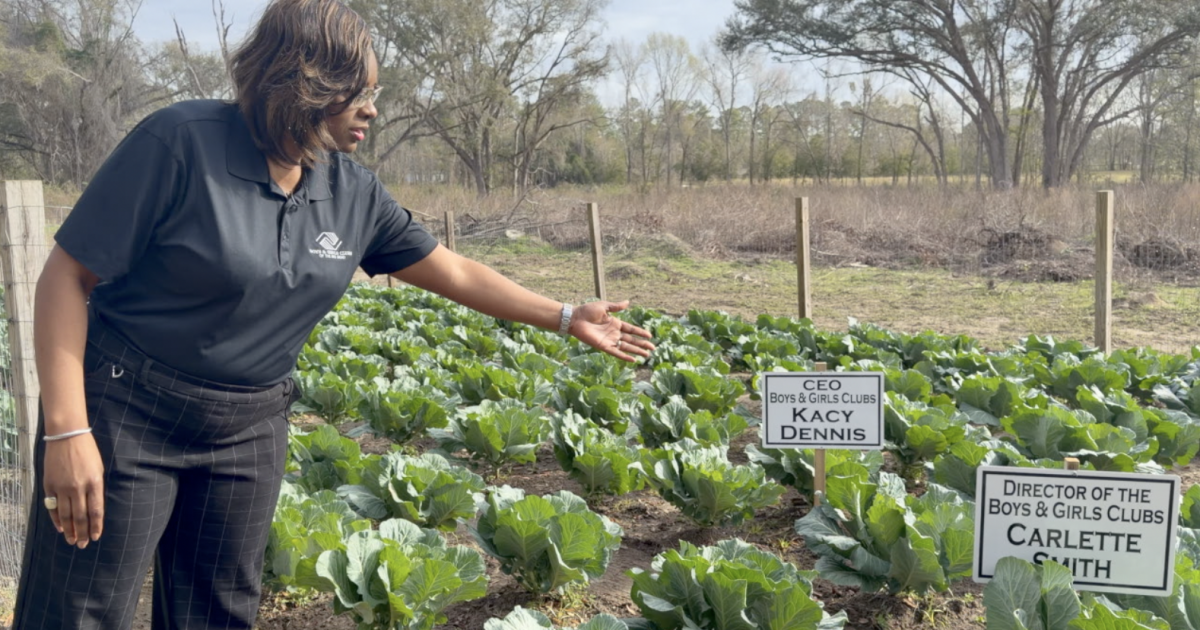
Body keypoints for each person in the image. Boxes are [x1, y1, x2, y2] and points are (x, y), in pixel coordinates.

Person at [10, 0, 654, 628]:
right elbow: (68, 276)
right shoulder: (180, 145)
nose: (373, 109)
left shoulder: (350, 190)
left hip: (247, 430)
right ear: (301, 83)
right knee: (79, 609)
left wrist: (568, 316)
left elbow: (452, 270)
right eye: (358, 92)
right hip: (128, 416)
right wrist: (69, 433)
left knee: (218, 611)